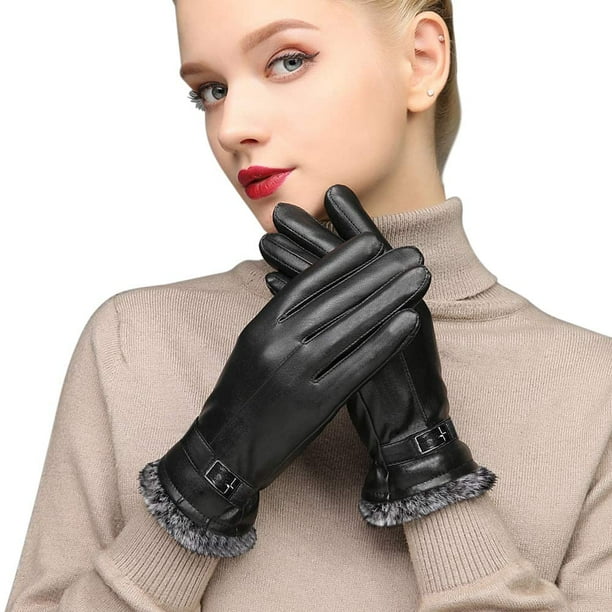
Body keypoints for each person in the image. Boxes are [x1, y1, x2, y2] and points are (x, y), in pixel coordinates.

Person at [6, 1, 611, 610]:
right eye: (211, 90)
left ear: (422, 60)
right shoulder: (134, 340)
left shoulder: (597, 390)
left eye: (288, 61)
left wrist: (427, 465)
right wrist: (202, 482)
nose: (230, 127)